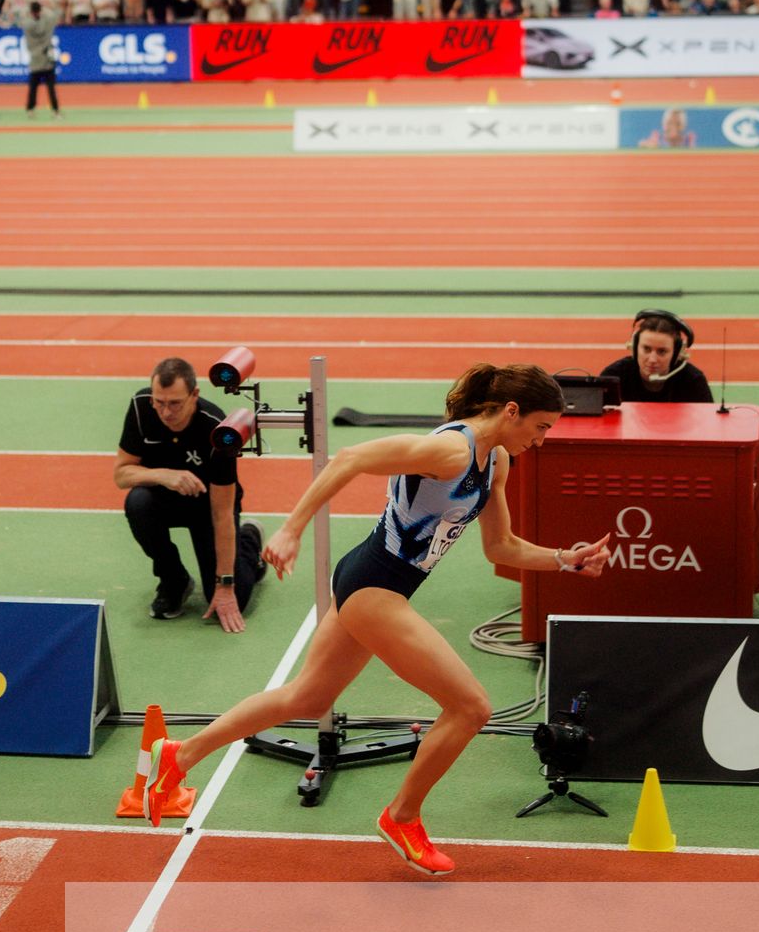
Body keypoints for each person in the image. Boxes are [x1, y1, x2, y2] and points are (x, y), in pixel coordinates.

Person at [142, 364, 611, 875]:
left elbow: (502, 546)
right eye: (541, 427)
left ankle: (180, 755)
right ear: (512, 411)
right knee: (471, 707)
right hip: (375, 584)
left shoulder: (495, 460)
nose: (541, 441)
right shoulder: (451, 450)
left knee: (308, 697)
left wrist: (567, 558)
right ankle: (402, 816)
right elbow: (350, 457)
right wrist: (291, 530)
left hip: (375, 582)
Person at [115, 356, 266, 630]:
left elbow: (221, 514)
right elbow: (122, 474)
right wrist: (163, 475)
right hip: (165, 498)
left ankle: (250, 541)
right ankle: (174, 580)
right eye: (159, 402)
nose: (166, 412)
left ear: (194, 395)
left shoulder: (216, 429)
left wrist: (225, 585)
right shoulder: (141, 407)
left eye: (175, 403)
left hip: (209, 506)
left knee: (231, 599)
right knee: (137, 502)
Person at [600, 310, 714, 404]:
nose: (652, 359)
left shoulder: (693, 382)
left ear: (677, 354)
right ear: (634, 347)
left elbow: (708, 426)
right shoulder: (614, 377)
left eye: (662, 351)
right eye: (646, 349)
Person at [20, 0, 60, 115]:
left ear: (31, 11)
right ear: (40, 10)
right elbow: (53, 15)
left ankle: (30, 109)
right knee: (50, 87)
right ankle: (55, 110)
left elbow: (23, 18)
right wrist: (45, 7)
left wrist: (28, 12)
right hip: (46, 57)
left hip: (36, 57)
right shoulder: (47, 21)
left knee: (34, 87)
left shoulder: (27, 23)